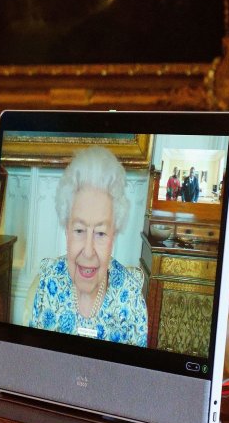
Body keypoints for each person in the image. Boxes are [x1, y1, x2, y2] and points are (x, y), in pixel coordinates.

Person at [28, 146, 148, 346]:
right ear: (67, 230)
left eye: (100, 233)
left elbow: (137, 377)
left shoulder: (131, 299)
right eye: (79, 230)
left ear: (114, 236)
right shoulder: (49, 285)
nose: (89, 251)